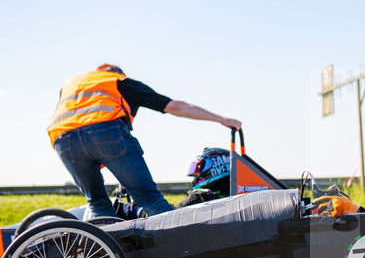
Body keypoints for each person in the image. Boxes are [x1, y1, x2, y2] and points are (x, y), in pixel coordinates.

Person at [48, 64, 242, 218]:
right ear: (118, 72)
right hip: (105, 131)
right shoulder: (119, 81)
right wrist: (222, 119)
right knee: (152, 201)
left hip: (62, 140)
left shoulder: (71, 85)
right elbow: (175, 107)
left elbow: (80, 133)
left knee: (98, 204)